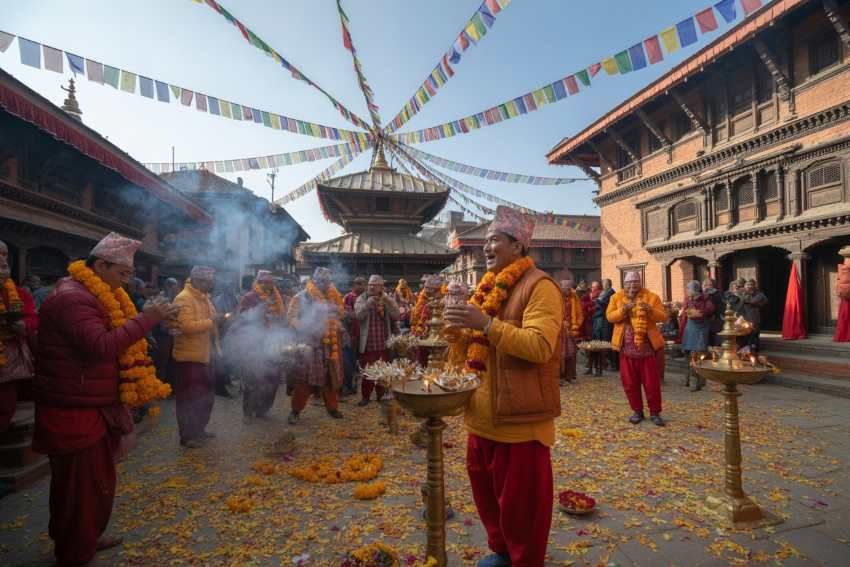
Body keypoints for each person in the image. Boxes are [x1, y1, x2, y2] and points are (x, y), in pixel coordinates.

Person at [32, 232, 178, 566]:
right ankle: (74, 551)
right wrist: (147, 319)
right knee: (80, 488)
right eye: (122, 275)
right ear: (100, 265)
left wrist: (152, 324)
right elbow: (101, 347)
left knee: (92, 483)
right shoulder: (73, 298)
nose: (125, 284)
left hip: (91, 400)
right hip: (74, 407)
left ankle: (85, 537)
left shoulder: (94, 294)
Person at [444, 206, 563, 567]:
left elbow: (540, 348)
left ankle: (524, 560)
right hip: (481, 417)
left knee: (522, 510)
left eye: (494, 239)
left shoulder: (540, 287)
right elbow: (469, 350)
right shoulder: (486, 287)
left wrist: (486, 325)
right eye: (485, 241)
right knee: (489, 501)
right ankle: (502, 554)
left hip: (519, 424)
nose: (486, 247)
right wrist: (456, 333)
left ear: (518, 246)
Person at [606, 271, 668, 426]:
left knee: (651, 383)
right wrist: (623, 310)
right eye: (629, 283)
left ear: (640, 283)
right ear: (624, 284)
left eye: (636, 282)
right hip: (626, 348)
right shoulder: (616, 298)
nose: (632, 285)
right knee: (630, 383)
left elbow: (663, 316)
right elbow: (609, 317)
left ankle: (655, 412)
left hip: (646, 348)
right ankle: (637, 411)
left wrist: (650, 311)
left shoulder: (652, 297)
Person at [287, 267, 344, 425]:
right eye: (322, 281)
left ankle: (332, 408)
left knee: (330, 378)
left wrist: (337, 315)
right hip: (310, 344)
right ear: (315, 281)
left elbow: (340, 312)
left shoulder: (334, 296)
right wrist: (303, 328)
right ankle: (295, 410)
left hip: (330, 344)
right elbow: (291, 317)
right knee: (304, 380)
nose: (325, 284)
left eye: (328, 281)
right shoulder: (301, 296)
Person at [172, 265, 222, 448]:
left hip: (206, 354)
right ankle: (188, 436)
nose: (210, 286)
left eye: (210, 282)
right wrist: (212, 322)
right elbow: (186, 327)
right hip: (189, 357)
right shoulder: (183, 298)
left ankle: (199, 429)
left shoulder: (205, 298)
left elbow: (211, 323)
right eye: (207, 282)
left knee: (206, 396)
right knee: (189, 398)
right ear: (196, 280)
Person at [237, 270, 286, 422]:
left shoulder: (277, 298)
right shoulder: (249, 297)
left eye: (271, 282)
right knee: (253, 379)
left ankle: (263, 409)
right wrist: (259, 311)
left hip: (274, 342)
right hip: (254, 343)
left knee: (273, 379)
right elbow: (242, 317)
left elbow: (282, 318)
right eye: (265, 283)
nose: (269, 285)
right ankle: (248, 412)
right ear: (258, 283)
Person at [0, 241, 38, 432]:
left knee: (5, 405)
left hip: (10, 358)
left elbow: (32, 318)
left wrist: (23, 324)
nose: (2, 261)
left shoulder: (19, 294)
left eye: (5, 256)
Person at [355, 275, 400, 406]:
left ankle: (381, 395)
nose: (372, 287)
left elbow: (396, 315)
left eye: (376, 285)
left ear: (381, 287)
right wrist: (368, 305)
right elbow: (358, 315)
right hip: (368, 343)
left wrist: (387, 300)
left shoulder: (386, 298)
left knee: (383, 371)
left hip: (383, 342)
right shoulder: (361, 298)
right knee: (367, 371)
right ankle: (365, 397)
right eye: (370, 284)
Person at [679, 281, 715, 392]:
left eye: (688, 289)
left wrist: (700, 312)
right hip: (690, 328)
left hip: (701, 328)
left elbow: (710, 309)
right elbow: (684, 310)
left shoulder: (705, 298)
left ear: (695, 290)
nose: (687, 291)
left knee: (698, 355)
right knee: (687, 353)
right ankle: (687, 379)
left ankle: (699, 382)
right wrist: (685, 312)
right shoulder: (688, 299)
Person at [342, 276, 366, 397]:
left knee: (359, 361)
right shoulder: (349, 297)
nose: (362, 286)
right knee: (349, 362)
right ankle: (348, 385)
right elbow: (345, 315)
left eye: (363, 284)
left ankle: (355, 384)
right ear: (355, 285)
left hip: (363, 335)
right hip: (352, 335)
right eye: (360, 284)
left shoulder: (366, 297)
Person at [559, 279, 582, 385]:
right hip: (559, 330)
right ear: (561, 287)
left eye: (569, 287)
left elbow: (580, 314)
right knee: (561, 354)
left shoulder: (575, 297)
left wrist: (576, 325)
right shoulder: (556, 297)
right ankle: (560, 377)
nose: (567, 289)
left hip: (571, 329)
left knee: (571, 353)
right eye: (565, 287)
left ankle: (570, 375)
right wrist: (561, 322)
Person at [590, 279, 615, 376]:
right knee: (598, 341)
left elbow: (607, 305)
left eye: (604, 284)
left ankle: (611, 364)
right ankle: (600, 365)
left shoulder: (612, 293)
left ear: (609, 284)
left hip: (606, 320)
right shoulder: (603, 293)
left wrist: (597, 302)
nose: (602, 285)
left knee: (606, 341)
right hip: (598, 319)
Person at [740, 279, 768, 352]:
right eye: (748, 285)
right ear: (745, 285)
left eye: (751, 285)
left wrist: (749, 296)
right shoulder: (742, 293)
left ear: (755, 286)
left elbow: (756, 301)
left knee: (754, 334)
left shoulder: (759, 294)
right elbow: (738, 303)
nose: (750, 286)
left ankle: (754, 350)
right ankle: (744, 350)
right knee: (744, 335)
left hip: (754, 317)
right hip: (743, 317)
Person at [702, 278, 723, 346]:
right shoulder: (700, 295)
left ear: (713, 286)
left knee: (714, 337)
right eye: (705, 285)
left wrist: (715, 316)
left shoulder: (717, 294)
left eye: (710, 285)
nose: (707, 286)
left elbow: (720, 307)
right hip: (702, 319)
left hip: (714, 319)